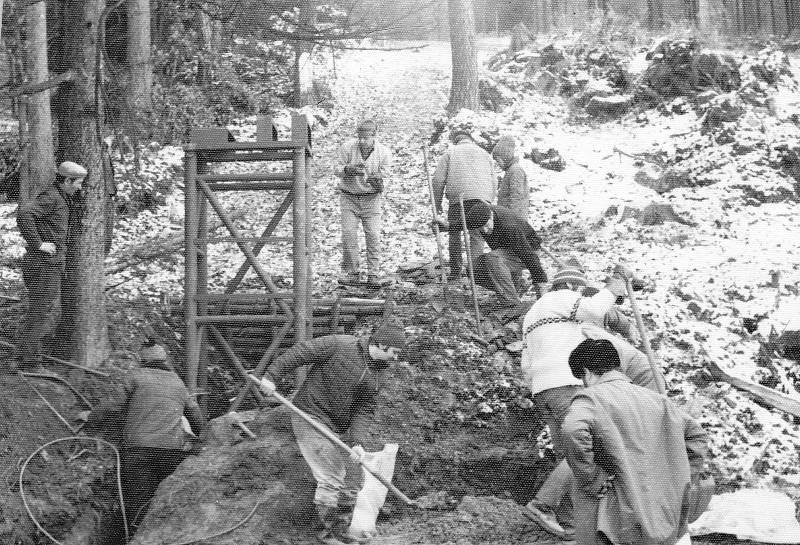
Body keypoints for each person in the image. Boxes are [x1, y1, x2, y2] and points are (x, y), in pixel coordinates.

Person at [253, 323, 406, 545]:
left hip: (337, 427)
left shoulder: (379, 374)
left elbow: (364, 410)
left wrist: (357, 442)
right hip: (310, 415)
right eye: (395, 352)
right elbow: (300, 353)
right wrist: (271, 376)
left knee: (353, 478)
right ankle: (326, 534)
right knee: (332, 473)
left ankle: (341, 529)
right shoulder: (340, 344)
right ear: (382, 344)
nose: (395, 358)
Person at [520, 261, 633, 538]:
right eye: (580, 289)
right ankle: (543, 504)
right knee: (586, 445)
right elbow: (595, 308)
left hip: (542, 388)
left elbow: (525, 363)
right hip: (565, 382)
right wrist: (616, 285)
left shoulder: (533, 313)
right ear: (571, 285)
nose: (582, 294)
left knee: (569, 454)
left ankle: (569, 521)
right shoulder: (563, 298)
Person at [564, 339, 708, 545]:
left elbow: (572, 430)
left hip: (617, 519)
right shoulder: (659, 400)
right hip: (665, 519)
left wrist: (592, 478)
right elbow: (697, 437)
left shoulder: (590, 400)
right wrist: (681, 478)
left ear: (586, 373)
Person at [81, 341, 206, 543]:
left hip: (138, 452)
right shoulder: (177, 382)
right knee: (166, 502)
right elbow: (195, 417)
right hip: (172, 454)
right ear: (165, 361)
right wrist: (204, 437)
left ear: (143, 361)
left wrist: (91, 417)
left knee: (138, 504)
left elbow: (113, 406)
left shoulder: (135, 377)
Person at [14, 161, 86, 371]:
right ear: (66, 180)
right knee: (40, 313)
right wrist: (39, 244)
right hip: (44, 265)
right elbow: (24, 214)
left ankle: (21, 358)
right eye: (78, 183)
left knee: (38, 312)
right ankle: (30, 363)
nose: (80, 188)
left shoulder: (62, 197)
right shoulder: (51, 197)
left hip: (49, 264)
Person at [334, 119, 393, 287]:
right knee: (348, 233)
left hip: (371, 199)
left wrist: (378, 181)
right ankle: (352, 272)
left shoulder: (384, 153)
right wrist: (347, 169)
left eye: (365, 138)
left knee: (373, 235)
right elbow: (336, 168)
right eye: (359, 137)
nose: (361, 141)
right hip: (349, 196)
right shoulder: (347, 148)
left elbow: (387, 176)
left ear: (374, 136)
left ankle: (373, 273)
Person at [462, 200, 547, 314]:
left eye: (486, 226)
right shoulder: (478, 217)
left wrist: (540, 283)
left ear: (491, 216)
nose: (485, 231)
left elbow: (529, 256)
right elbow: (462, 222)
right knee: (473, 270)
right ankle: (514, 286)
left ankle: (512, 305)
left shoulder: (509, 226)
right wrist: (446, 226)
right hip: (504, 252)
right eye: (481, 229)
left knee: (492, 258)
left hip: (527, 250)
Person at [432, 130, 496, 280]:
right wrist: (489, 201)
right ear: (471, 140)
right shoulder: (485, 154)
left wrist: (437, 203)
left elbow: (438, 180)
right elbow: (494, 181)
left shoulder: (450, 153)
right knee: (477, 235)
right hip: (482, 200)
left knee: (454, 231)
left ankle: (455, 272)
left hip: (457, 199)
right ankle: (474, 272)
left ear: (456, 141)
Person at [492, 135, 529, 220]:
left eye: (498, 160)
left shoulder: (515, 170)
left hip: (514, 219)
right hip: (510, 217)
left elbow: (516, 197)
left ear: (505, 157)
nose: (498, 163)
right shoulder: (510, 170)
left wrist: (511, 219)